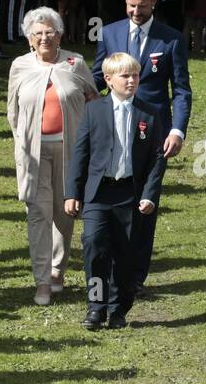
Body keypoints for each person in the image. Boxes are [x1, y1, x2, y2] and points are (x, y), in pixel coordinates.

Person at [92, 0, 191, 292]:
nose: (135, 11)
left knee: (145, 203)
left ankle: (135, 276)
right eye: (131, 5)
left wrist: (177, 129)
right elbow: (96, 79)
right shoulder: (110, 33)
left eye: (142, 6)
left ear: (153, 3)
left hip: (154, 135)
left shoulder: (171, 39)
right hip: (114, 129)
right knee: (112, 200)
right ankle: (109, 272)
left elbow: (182, 91)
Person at [65, 53, 167, 330]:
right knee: (95, 247)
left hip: (129, 194)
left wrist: (149, 194)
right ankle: (96, 306)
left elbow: (157, 158)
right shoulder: (94, 111)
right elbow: (80, 153)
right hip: (98, 193)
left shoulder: (149, 112)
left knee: (126, 253)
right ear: (109, 80)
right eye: (125, 76)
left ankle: (118, 307)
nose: (132, 80)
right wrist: (72, 192)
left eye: (135, 75)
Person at [8, 7, 98, 306]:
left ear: (59, 35)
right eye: (38, 33)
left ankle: (58, 270)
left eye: (50, 32)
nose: (45, 37)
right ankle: (42, 281)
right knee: (38, 213)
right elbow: (13, 111)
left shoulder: (75, 63)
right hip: (34, 153)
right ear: (30, 39)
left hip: (69, 149)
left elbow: (93, 100)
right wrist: (22, 142)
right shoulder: (19, 66)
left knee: (65, 211)